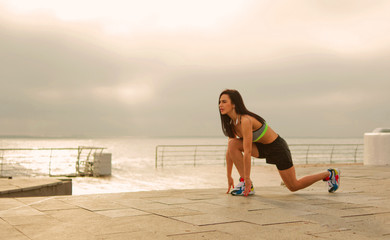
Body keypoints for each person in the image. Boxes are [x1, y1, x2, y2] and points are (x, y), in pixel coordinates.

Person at [218, 89, 340, 196]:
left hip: (277, 148)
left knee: (293, 186)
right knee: (232, 144)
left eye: (224, 101)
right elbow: (230, 151)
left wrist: (248, 178)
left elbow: (248, 151)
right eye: (219, 102)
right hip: (261, 148)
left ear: (234, 104)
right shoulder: (231, 124)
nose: (220, 105)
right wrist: (229, 176)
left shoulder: (245, 120)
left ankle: (329, 174)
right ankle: (244, 184)